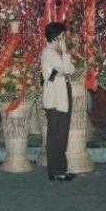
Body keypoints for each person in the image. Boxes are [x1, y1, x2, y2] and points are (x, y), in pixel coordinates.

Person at [41, 22, 76, 182]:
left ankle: (59, 169)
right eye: (62, 35)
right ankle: (56, 171)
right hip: (55, 98)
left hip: (61, 95)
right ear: (56, 37)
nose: (65, 38)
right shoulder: (49, 53)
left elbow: (71, 70)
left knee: (60, 134)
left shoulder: (55, 53)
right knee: (57, 135)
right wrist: (65, 53)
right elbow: (67, 69)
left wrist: (64, 56)